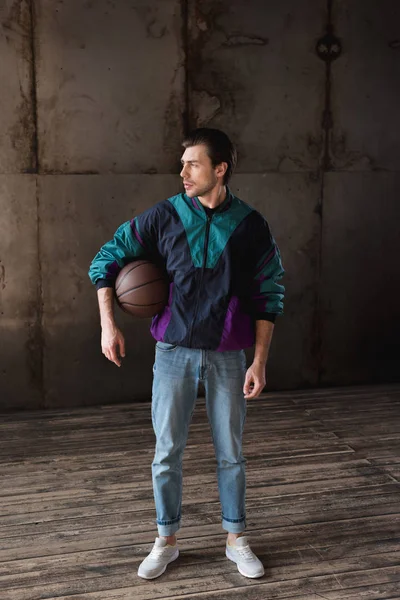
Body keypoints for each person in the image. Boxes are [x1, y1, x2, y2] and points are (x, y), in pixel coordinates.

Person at [88, 128, 285, 580]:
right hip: (173, 351)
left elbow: (269, 293)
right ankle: (166, 541)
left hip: (228, 356)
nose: (183, 172)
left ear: (220, 169)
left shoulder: (250, 224)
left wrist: (259, 360)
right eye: (183, 164)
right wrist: (108, 323)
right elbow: (107, 258)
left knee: (231, 452)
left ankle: (236, 539)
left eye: (193, 164)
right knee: (166, 452)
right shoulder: (165, 215)